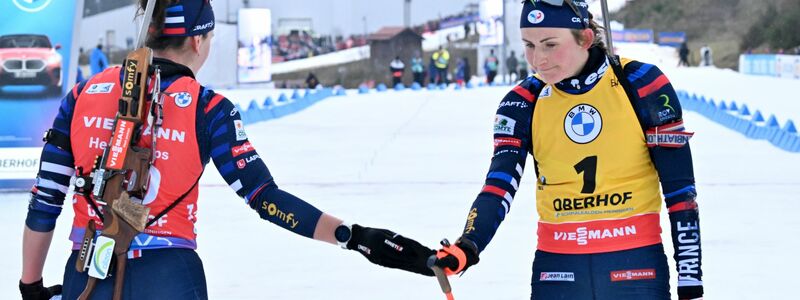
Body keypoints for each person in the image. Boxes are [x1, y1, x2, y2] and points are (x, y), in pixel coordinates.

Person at [19, 1, 435, 299]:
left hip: (87, 273)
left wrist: (31, 285)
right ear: (197, 40)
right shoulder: (208, 108)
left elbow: (45, 200)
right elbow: (265, 198)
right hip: (169, 276)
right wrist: (353, 236)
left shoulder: (84, 93)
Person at [421, 1, 705, 299]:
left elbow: (680, 191)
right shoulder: (522, 101)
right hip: (558, 270)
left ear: (585, 38)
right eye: (529, 45)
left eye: (550, 45)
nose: (538, 59)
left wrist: (690, 279)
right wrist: (468, 244)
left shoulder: (641, 83)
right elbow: (499, 184)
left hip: (635, 266)